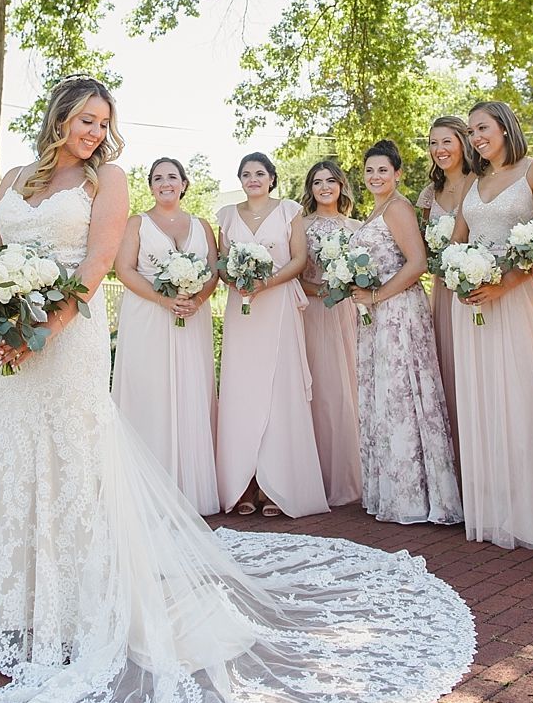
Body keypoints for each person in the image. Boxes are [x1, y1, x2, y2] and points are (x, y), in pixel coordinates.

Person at [0, 78, 476, 703]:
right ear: (58, 116)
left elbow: (95, 270)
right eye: (83, 118)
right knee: (7, 458)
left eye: (103, 121)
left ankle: (72, 600)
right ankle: (7, 594)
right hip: (7, 343)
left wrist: (40, 329)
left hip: (64, 338)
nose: (93, 131)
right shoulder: (12, 176)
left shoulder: (111, 181)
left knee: (71, 459)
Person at [451, 100, 533, 550]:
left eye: (483, 127)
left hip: (517, 302)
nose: (476, 137)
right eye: (472, 131)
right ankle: (495, 511)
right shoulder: (475, 182)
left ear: (504, 127)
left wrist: (503, 284)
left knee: (522, 400)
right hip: (475, 305)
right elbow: (456, 241)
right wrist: (459, 272)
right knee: (484, 401)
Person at [350, 139, 462, 526]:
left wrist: (377, 295)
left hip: (397, 312)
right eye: (369, 170)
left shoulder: (398, 208)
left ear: (397, 174)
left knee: (403, 395)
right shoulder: (375, 210)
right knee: (384, 396)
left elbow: (416, 264)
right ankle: (392, 491)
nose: (375, 176)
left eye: (383, 169)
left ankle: (415, 496)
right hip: (377, 315)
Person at [215, 152, 329, 518]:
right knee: (242, 389)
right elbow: (221, 262)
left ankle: (275, 484)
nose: (253, 179)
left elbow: (298, 259)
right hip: (243, 309)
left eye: (259, 173)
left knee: (278, 390)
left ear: (271, 178)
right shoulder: (227, 215)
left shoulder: (289, 211)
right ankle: (243, 481)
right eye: (246, 173)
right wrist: (239, 283)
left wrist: (265, 283)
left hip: (277, 302)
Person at [112, 156, 220, 515]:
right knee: (151, 393)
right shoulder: (137, 224)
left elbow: (214, 272)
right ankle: (148, 489)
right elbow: (123, 270)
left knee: (190, 391)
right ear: (151, 186)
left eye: (172, 176)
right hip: (148, 317)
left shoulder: (202, 225)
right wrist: (164, 299)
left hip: (192, 318)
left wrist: (197, 299)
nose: (165, 183)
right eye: (157, 178)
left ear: (184, 183)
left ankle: (189, 488)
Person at [416, 115, 475, 492]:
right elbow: (421, 246)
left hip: (474, 285)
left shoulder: (479, 183)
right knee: (448, 372)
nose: (439, 150)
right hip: (443, 288)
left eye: (447, 142)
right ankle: (458, 476)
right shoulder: (427, 195)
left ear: (463, 143)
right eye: (434, 143)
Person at [299, 159, 362, 506]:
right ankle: (317, 475)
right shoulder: (301, 225)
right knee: (320, 391)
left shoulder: (356, 225)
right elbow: (295, 271)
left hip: (348, 313)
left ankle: (351, 475)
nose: (324, 187)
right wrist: (320, 289)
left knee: (349, 389)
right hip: (314, 313)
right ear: (310, 189)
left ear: (341, 186)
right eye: (317, 182)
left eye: (330, 181)